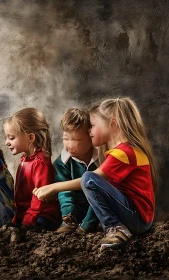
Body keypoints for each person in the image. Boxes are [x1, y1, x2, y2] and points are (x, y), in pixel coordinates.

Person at [34, 98, 155, 249]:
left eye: (92, 126)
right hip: (139, 218)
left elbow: (91, 180)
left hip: (137, 220)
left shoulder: (123, 153)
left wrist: (53, 187)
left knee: (89, 178)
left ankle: (116, 228)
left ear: (112, 124)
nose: (89, 130)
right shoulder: (125, 151)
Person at [3, 108, 61, 230]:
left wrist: (27, 222)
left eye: (11, 138)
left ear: (30, 138)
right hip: (27, 213)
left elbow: (40, 198)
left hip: (42, 215)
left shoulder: (40, 163)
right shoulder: (25, 159)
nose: (6, 143)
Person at [54, 108, 99, 234]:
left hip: (100, 208)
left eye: (76, 140)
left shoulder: (102, 159)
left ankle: (92, 223)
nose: (69, 145)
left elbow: (101, 193)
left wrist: (88, 222)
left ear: (91, 137)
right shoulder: (62, 162)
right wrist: (68, 217)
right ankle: (70, 222)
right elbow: (64, 191)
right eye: (65, 138)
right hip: (75, 208)